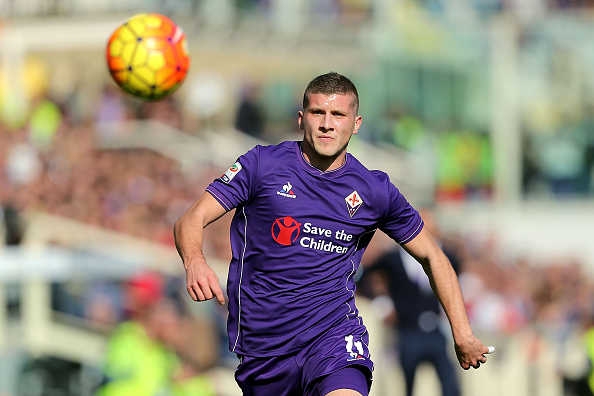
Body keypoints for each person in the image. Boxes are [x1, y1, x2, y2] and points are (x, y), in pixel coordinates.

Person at [174, 72, 491, 396]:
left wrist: (463, 333)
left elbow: (432, 255)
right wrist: (195, 260)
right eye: (318, 113)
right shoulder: (262, 165)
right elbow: (191, 218)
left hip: (334, 338)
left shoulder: (374, 190)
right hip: (264, 346)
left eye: (338, 114)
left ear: (355, 123)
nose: (327, 124)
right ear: (301, 119)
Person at [359, 208, 462, 396]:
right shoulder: (392, 258)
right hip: (407, 331)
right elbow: (364, 276)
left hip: (436, 330)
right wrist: (382, 302)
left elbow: (456, 282)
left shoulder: (448, 257)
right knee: (406, 385)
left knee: (450, 384)